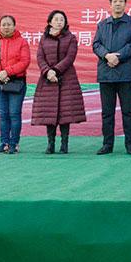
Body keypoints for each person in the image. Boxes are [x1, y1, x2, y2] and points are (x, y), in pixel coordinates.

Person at [93, 0, 131, 155]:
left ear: (125, 4)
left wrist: (117, 57)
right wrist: (106, 55)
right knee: (107, 112)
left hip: (125, 73)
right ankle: (107, 144)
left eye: (121, 1)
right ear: (110, 4)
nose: (118, 4)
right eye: (115, 1)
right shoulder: (102, 24)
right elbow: (96, 45)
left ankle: (130, 144)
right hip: (106, 74)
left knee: (127, 111)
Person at [31, 10, 86, 155]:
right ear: (50, 22)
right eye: (56, 19)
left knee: (65, 114)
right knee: (50, 114)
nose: (59, 22)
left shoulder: (71, 38)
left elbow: (70, 57)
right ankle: (50, 144)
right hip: (48, 80)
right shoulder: (43, 39)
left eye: (62, 19)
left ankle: (64, 144)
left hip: (66, 80)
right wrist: (47, 71)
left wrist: (55, 70)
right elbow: (40, 57)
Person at [0, 15, 30, 155]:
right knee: (3, 114)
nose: (6, 27)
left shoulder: (22, 42)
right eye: (3, 24)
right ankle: (4, 143)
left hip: (16, 82)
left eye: (9, 24)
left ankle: (14, 143)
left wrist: (7, 72)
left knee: (14, 114)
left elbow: (24, 62)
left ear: (14, 26)